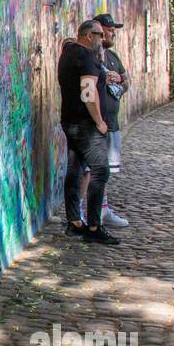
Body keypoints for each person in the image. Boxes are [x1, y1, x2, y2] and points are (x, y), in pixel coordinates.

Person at [57, 19, 120, 245]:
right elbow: (87, 92)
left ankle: (74, 222)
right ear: (87, 35)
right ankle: (93, 226)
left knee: (74, 170)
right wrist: (100, 121)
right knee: (100, 172)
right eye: (98, 34)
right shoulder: (86, 58)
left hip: (71, 121)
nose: (102, 39)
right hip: (86, 125)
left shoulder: (69, 53)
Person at [95, 12, 129, 226]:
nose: (113, 32)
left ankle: (103, 208)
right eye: (109, 29)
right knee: (92, 170)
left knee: (105, 169)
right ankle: (90, 211)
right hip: (97, 123)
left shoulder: (113, 57)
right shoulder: (91, 56)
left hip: (112, 123)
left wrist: (120, 79)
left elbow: (127, 82)